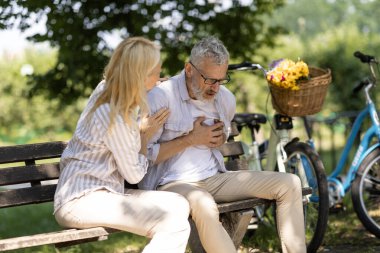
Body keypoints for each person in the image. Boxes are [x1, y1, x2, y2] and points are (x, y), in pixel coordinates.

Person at [139, 36, 306, 253]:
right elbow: (145, 156)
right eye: (209, 80)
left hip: (215, 178)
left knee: (290, 183)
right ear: (189, 69)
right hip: (170, 183)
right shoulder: (162, 97)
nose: (215, 88)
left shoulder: (225, 99)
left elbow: (222, 134)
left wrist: (219, 138)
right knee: (204, 203)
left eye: (221, 80)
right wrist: (190, 139)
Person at [53, 37, 191, 253]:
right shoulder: (114, 114)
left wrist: (147, 89)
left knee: (179, 203)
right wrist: (144, 136)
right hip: (80, 200)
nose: (159, 78)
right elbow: (135, 175)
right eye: (156, 72)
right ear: (139, 75)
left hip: (106, 192)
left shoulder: (107, 89)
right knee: (174, 223)